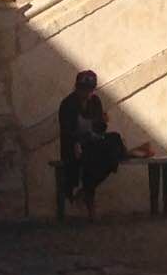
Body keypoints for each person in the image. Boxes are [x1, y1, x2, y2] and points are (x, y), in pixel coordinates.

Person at [54, 70, 127, 216]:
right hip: (75, 145)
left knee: (114, 141)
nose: (86, 93)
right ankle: (88, 196)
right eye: (83, 89)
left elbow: (99, 129)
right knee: (93, 159)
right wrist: (77, 142)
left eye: (89, 90)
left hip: (92, 141)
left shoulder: (95, 101)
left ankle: (86, 191)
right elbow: (67, 131)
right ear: (77, 87)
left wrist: (102, 122)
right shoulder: (68, 104)